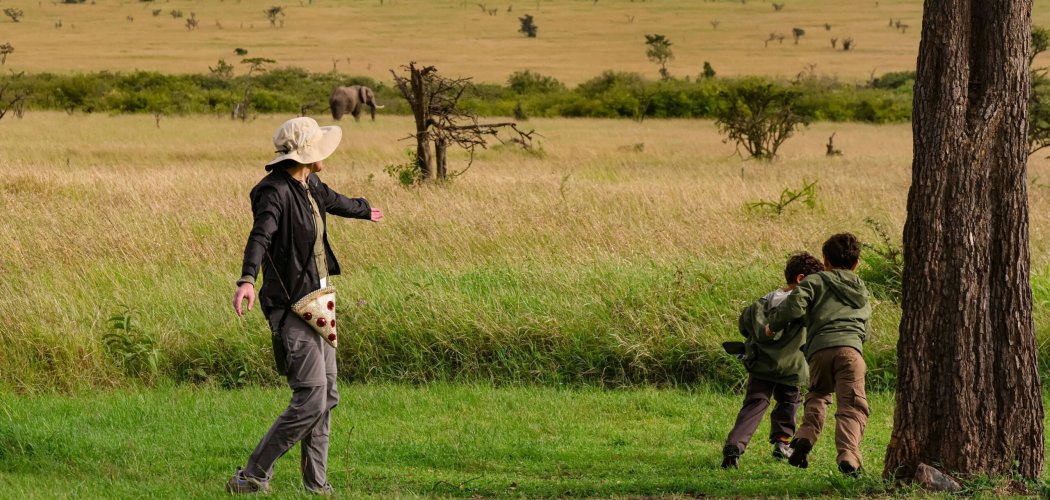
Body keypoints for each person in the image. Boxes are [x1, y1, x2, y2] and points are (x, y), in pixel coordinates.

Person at [228, 116, 383, 494]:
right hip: (291, 306)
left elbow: (333, 200)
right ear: (305, 154)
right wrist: (248, 279)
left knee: (326, 395)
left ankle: (318, 486)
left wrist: (364, 209)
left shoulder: (309, 182)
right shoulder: (273, 192)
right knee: (312, 396)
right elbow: (260, 236)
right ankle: (252, 476)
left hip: (321, 302)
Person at [765, 233, 871, 476]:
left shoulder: (815, 282)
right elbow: (866, 326)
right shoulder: (861, 288)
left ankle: (804, 437)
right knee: (852, 405)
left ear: (824, 260)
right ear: (856, 264)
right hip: (851, 351)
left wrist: (773, 326)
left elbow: (794, 305)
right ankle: (848, 454)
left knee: (818, 395)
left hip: (819, 351)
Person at [721, 252, 823, 469]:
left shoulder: (762, 302)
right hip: (791, 366)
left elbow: (743, 326)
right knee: (789, 402)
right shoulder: (802, 305)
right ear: (801, 279)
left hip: (761, 366)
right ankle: (782, 443)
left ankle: (734, 446)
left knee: (754, 404)